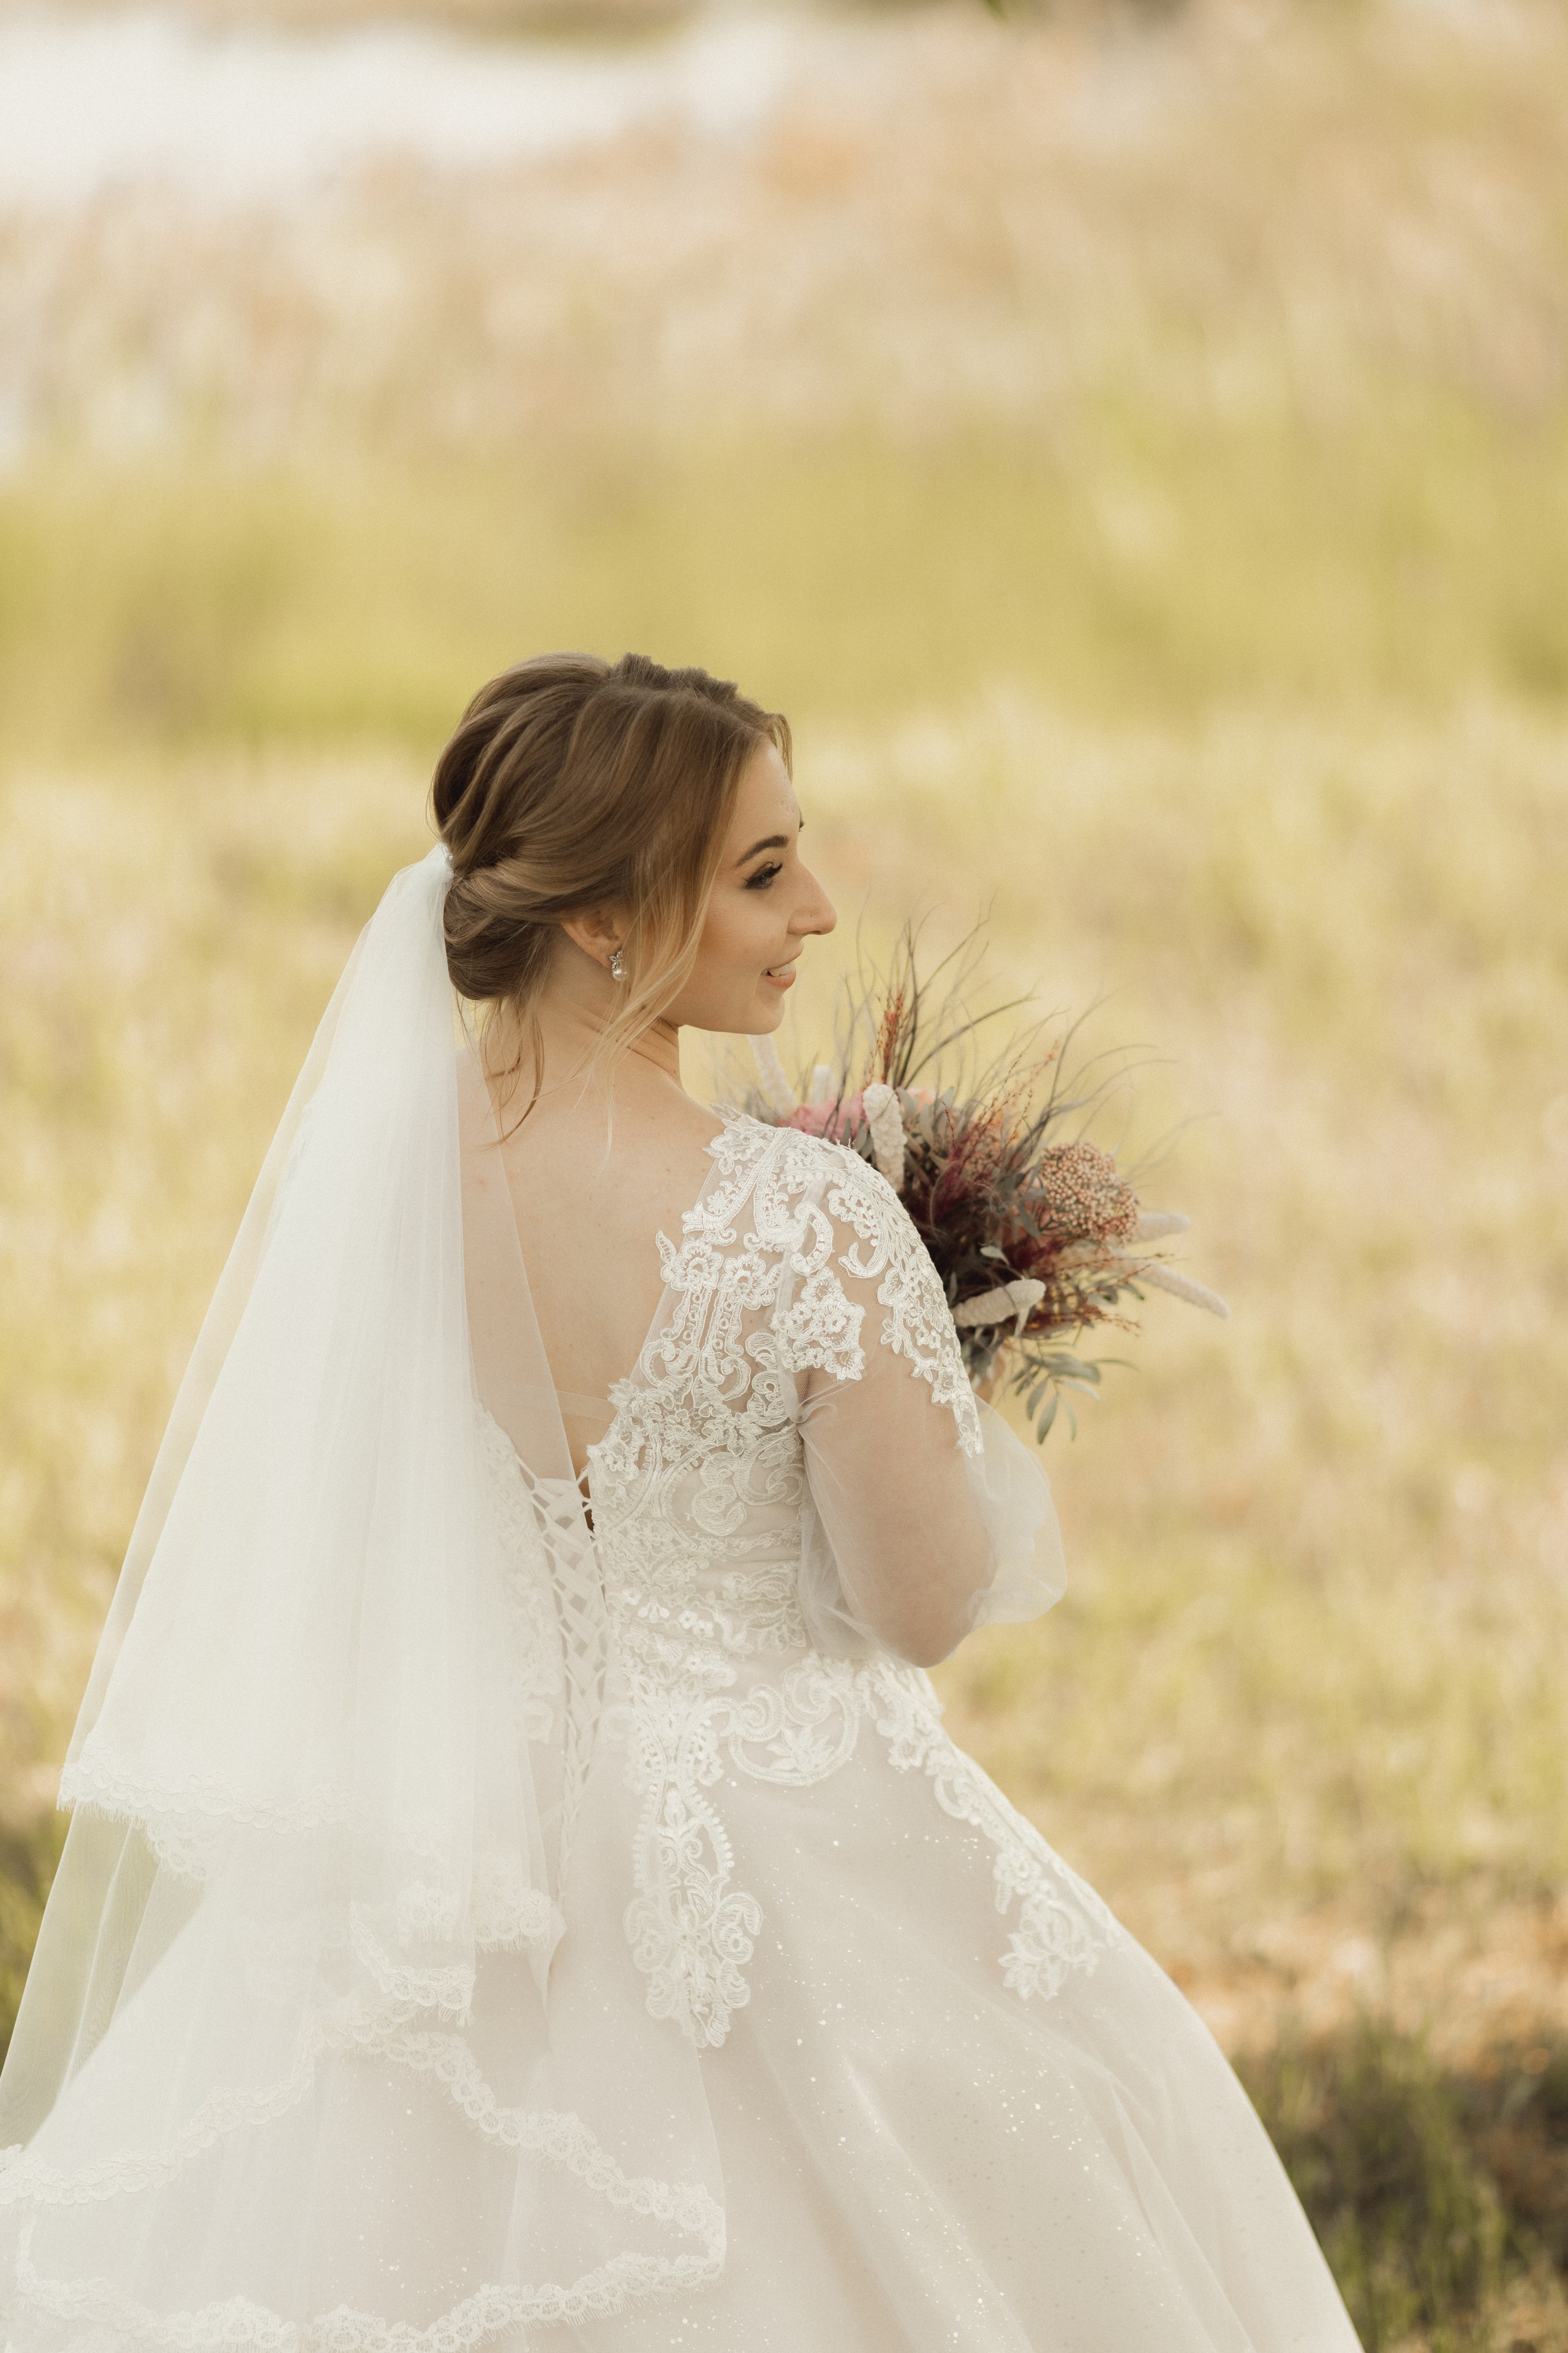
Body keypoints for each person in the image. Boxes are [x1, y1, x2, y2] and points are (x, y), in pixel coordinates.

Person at [0, 652, 1361, 2351]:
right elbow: (920, 1602)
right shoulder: (807, 1218)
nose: (820, 910)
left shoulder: (380, 1172)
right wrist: (940, 1378)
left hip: (457, 1842)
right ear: (603, 917)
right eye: (764, 873)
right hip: (780, 1844)